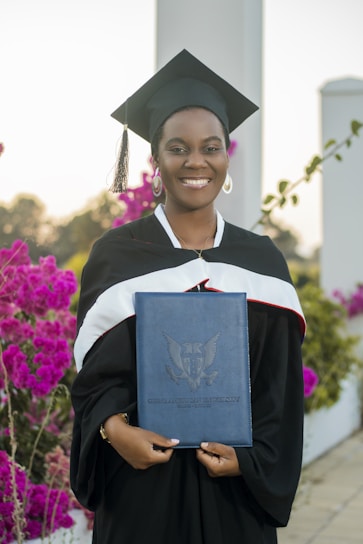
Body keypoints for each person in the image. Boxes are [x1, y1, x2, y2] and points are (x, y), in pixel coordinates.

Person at [70, 49, 305, 544]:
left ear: (226, 156)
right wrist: (115, 431)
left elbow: (278, 393)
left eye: (211, 147)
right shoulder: (116, 256)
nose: (196, 161)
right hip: (141, 494)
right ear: (155, 160)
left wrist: (248, 460)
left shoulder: (262, 261)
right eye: (178, 148)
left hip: (236, 499)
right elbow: (94, 380)